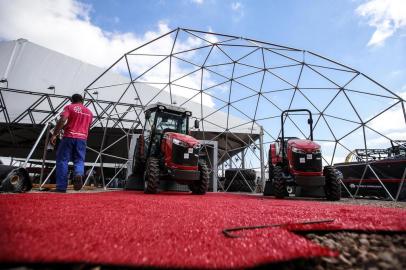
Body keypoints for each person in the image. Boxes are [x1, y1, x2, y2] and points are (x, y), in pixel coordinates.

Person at [50, 94, 93, 192]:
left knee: (62, 160)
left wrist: (55, 134)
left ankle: (61, 187)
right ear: (82, 101)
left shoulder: (69, 107)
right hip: (82, 138)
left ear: (71, 100)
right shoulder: (89, 112)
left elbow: (63, 119)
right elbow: (88, 127)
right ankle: (78, 173)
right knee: (79, 160)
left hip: (69, 137)